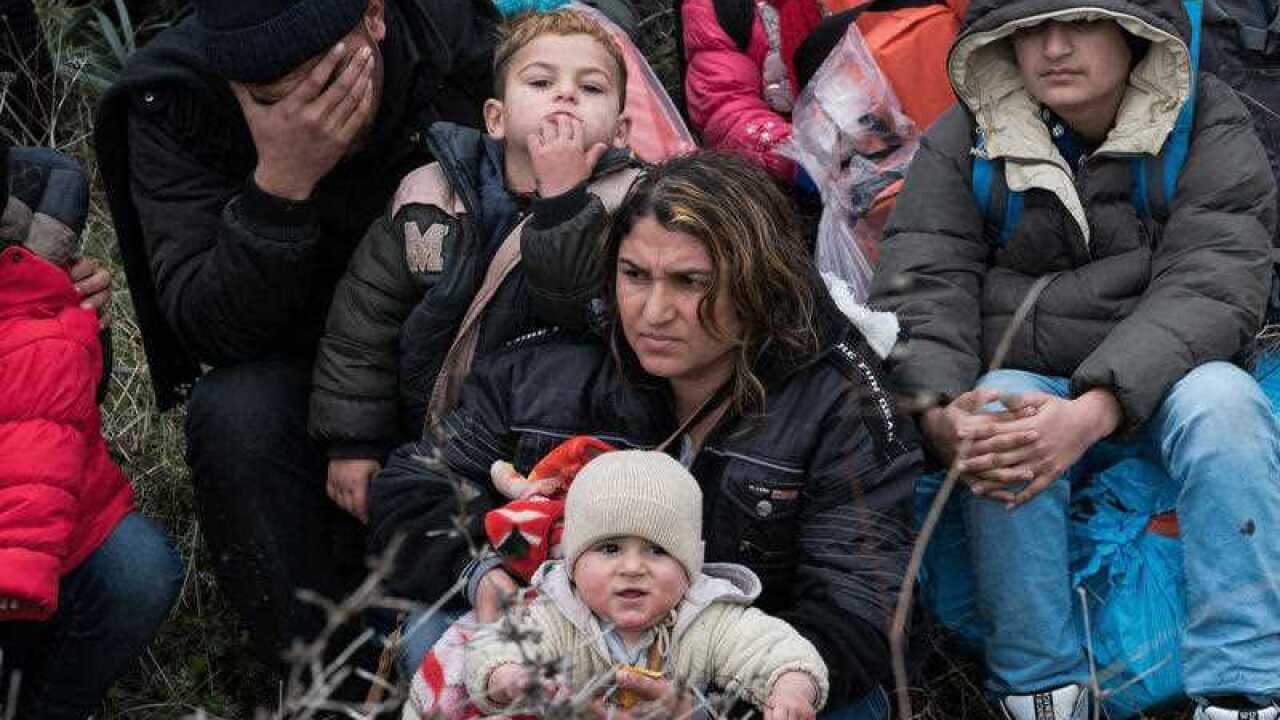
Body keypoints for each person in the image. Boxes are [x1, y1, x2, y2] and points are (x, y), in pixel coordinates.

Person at [370, 150, 921, 719]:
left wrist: (716, 701)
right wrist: (480, 577)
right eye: (634, 275)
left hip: (740, 662)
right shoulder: (545, 369)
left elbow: (866, 604)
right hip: (561, 644)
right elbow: (412, 487)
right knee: (435, 628)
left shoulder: (839, 400)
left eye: (690, 282)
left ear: (759, 284)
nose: (653, 312)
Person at [867, 0, 1280, 717]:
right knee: (997, 412)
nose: (1053, 48)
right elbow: (926, 280)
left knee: (1225, 407)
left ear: (1131, 31)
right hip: (1028, 371)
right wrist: (938, 411)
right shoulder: (966, 134)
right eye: (1030, 29)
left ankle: (1242, 683)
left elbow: (1215, 280)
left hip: (1174, 377)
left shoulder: (1204, 119)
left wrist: (1093, 412)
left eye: (1080, 23)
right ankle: (1039, 688)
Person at [93, 0, 499, 668]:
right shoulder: (176, 97)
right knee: (235, 414)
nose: (307, 113)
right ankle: (319, 677)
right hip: (301, 374)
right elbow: (206, 328)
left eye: (330, 82)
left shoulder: (449, 31)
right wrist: (281, 185)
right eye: (272, 99)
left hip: (462, 350)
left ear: (374, 18)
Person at [308, 8, 639, 522]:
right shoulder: (429, 194)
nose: (566, 95)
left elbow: (573, 305)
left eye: (591, 88)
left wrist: (561, 204)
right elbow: (363, 321)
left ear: (621, 131)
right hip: (423, 430)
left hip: (549, 450)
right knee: (406, 542)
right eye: (541, 81)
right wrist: (353, 439)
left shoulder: (628, 210)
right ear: (496, 118)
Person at [0, 143, 183, 720]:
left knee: (137, 570)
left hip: (29, 497)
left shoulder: (31, 197)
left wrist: (76, 326)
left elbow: (53, 413)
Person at [464, 450, 829, 720]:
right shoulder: (556, 613)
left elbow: (772, 648)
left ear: (690, 565)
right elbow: (495, 646)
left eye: (657, 550)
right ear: (572, 564)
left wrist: (792, 687)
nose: (633, 567)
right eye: (609, 548)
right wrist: (508, 676)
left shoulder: (706, 617)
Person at [679, 0, 964, 183]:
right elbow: (725, 107)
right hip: (820, 179)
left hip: (946, 123)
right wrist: (810, 155)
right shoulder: (717, 8)